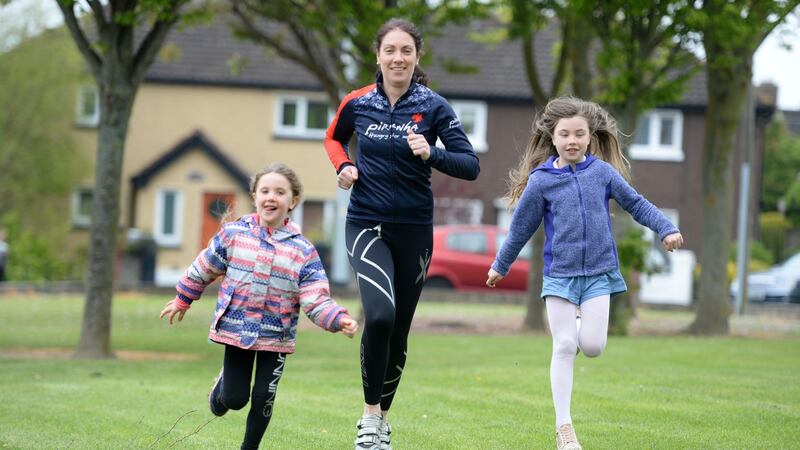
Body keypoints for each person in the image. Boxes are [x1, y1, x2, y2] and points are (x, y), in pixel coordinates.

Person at [486, 97, 683, 450]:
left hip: (598, 273)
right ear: (553, 137)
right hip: (559, 276)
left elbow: (635, 204)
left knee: (591, 346)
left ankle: (574, 333)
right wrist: (501, 264)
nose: (572, 140)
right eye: (565, 134)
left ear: (590, 137)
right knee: (563, 345)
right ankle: (564, 428)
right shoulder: (542, 181)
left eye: (579, 134)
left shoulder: (602, 174)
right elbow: (520, 228)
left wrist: (665, 227)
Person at [324, 18, 480, 450]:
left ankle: (383, 421)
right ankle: (369, 419)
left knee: (399, 331)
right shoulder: (357, 103)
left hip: (414, 230)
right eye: (390, 50)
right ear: (378, 56)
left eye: (406, 51)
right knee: (379, 316)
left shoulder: (434, 107)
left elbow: (470, 165)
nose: (398, 58)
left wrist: (432, 152)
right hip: (366, 222)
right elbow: (334, 139)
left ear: (416, 57)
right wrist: (343, 167)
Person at [159, 162, 358, 450]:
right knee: (235, 399)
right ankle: (221, 391)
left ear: (293, 201)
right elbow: (204, 266)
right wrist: (183, 298)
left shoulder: (302, 250)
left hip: (276, 334)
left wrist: (337, 319)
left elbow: (315, 296)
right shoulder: (234, 235)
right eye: (265, 191)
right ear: (255, 196)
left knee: (265, 395)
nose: (271, 197)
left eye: (280, 192)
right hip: (237, 330)